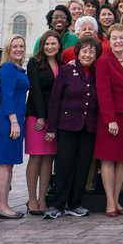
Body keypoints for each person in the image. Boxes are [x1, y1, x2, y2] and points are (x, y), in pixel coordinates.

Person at [43, 36, 99, 219]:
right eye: (84, 51)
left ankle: (75, 203)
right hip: (67, 125)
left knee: (82, 166)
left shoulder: (98, 71)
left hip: (88, 126)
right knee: (64, 165)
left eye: (91, 51)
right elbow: (54, 100)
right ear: (77, 52)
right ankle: (57, 204)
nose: (88, 54)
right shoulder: (67, 70)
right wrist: (51, 127)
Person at [95, 25, 123, 217]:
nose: (119, 41)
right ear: (109, 41)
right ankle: (110, 201)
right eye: (115, 38)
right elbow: (103, 93)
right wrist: (110, 119)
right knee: (108, 158)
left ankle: (117, 198)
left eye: (122, 38)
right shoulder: (103, 61)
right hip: (111, 117)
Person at [0, 36, 29, 219]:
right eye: (14, 46)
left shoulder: (19, 69)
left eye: (21, 46)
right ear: (8, 49)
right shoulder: (7, 68)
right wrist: (14, 121)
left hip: (16, 120)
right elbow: (7, 95)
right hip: (7, 120)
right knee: (4, 164)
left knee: (9, 165)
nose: (18, 49)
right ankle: (1, 205)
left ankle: (4, 204)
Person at [23, 33, 60, 216]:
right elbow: (35, 90)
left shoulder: (61, 64)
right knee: (36, 157)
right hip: (37, 116)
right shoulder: (34, 63)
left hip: (54, 118)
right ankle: (31, 198)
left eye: (54, 43)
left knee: (48, 159)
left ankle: (42, 198)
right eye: (47, 43)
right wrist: (41, 117)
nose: (50, 47)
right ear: (42, 45)